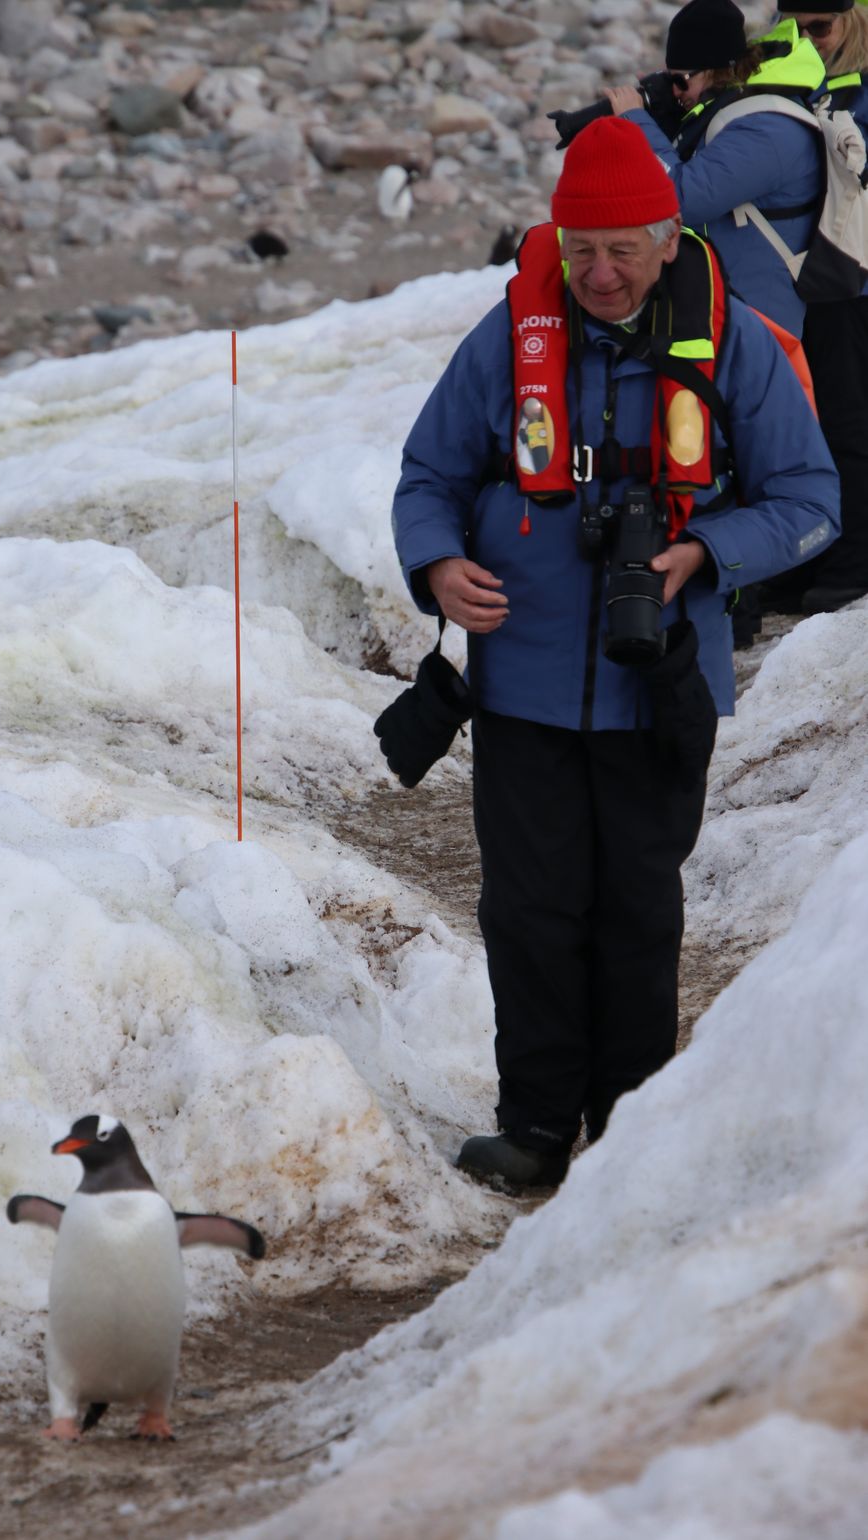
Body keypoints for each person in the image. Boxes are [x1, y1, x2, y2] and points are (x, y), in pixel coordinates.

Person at [390, 116, 839, 1188]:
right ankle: (539, 1127)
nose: (599, 272)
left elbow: (812, 501)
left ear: (669, 240)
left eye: (623, 249)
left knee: (638, 909)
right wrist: (438, 566)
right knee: (532, 911)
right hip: (521, 685)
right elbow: (427, 478)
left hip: (660, 689)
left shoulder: (732, 342)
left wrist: (704, 550)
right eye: (580, 249)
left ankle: (634, 1138)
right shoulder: (508, 340)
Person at [605, 0, 826, 645]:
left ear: (714, 72)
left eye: (682, 80)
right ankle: (745, 588)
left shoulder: (766, 128)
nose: (678, 91)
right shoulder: (729, 114)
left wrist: (638, 125)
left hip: (765, 321)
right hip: (733, 313)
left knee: (760, 458)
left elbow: (679, 197)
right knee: (723, 449)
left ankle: (749, 598)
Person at [769, 1, 868, 612]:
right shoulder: (790, 74)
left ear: (853, 20)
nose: (808, 40)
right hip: (810, 282)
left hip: (851, 284)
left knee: (848, 423)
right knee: (809, 424)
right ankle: (817, 550)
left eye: (820, 27)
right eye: (795, 28)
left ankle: (855, 559)